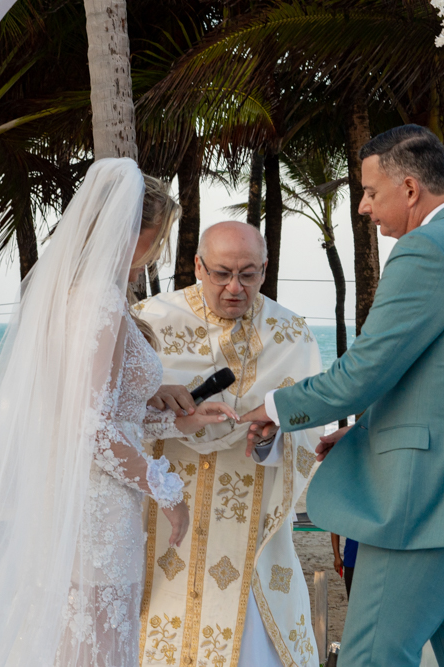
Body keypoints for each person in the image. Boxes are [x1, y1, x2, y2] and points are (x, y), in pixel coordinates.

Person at [0, 159, 238, 667]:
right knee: (92, 647)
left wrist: (177, 421)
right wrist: (167, 491)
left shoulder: (74, 297)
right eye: (155, 237)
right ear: (127, 230)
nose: (154, 252)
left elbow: (91, 413)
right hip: (94, 507)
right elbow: (89, 428)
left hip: (77, 496)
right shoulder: (99, 302)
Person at [242, 125, 444, 667]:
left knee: (373, 655)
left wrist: (275, 408)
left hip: (430, 497)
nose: (364, 207)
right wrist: (372, 430)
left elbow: (364, 371)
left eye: (371, 192)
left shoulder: (428, 250)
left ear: (411, 189)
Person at [133, 220, 323, 667]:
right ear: (198, 266)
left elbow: (308, 429)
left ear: (265, 269)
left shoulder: (291, 334)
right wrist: (165, 413)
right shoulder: (150, 322)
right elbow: (114, 416)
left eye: (248, 274)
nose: (235, 288)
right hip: (163, 516)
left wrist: (272, 437)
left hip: (249, 525)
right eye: (221, 274)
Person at [330, 533, 357, 598]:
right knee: (352, 598)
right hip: (351, 560)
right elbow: (335, 530)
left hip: (373, 561)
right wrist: (337, 557)